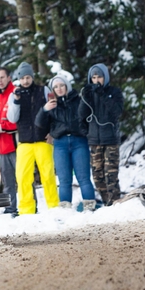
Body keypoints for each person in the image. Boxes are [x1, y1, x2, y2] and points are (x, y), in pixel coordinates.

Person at [36, 74, 97, 211]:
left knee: (83, 177)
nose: (59, 89)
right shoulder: (52, 105)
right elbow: (39, 123)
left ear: (67, 86)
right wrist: (44, 110)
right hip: (60, 144)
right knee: (64, 180)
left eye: (61, 85)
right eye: (56, 87)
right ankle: (65, 208)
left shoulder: (78, 100)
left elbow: (87, 115)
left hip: (79, 141)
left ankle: (89, 205)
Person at [7, 62, 59, 214]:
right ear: (19, 79)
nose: (25, 81)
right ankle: (26, 209)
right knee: (23, 177)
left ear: (32, 77)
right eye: (22, 78)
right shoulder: (14, 94)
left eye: (28, 77)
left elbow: (54, 111)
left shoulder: (43, 90)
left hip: (43, 139)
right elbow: (11, 118)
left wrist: (52, 132)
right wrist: (16, 101)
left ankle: (53, 206)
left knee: (48, 174)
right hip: (24, 141)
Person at [79, 63, 124, 206]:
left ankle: (116, 202)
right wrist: (85, 97)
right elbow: (81, 116)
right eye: (94, 77)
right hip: (94, 140)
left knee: (110, 175)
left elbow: (117, 112)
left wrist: (102, 94)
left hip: (110, 139)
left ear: (105, 77)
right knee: (98, 176)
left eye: (99, 77)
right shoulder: (89, 94)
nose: (97, 80)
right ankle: (107, 203)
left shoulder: (114, 92)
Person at [0, 66, 19, 216]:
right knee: (7, 180)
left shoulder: (14, 93)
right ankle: (11, 207)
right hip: (2, 145)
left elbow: (17, 120)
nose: (0, 81)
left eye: (2, 77)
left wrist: (2, 127)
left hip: (15, 143)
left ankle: (30, 205)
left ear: (8, 77)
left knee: (22, 177)